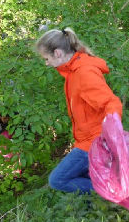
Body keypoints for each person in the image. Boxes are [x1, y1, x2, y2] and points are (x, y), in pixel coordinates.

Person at [36, 28, 123, 194]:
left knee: (58, 180)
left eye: (46, 58)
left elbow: (111, 103)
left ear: (58, 53)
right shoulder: (72, 72)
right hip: (87, 140)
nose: (46, 63)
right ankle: (101, 208)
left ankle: (111, 192)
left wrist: (112, 132)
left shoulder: (83, 72)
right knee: (88, 176)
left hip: (94, 142)